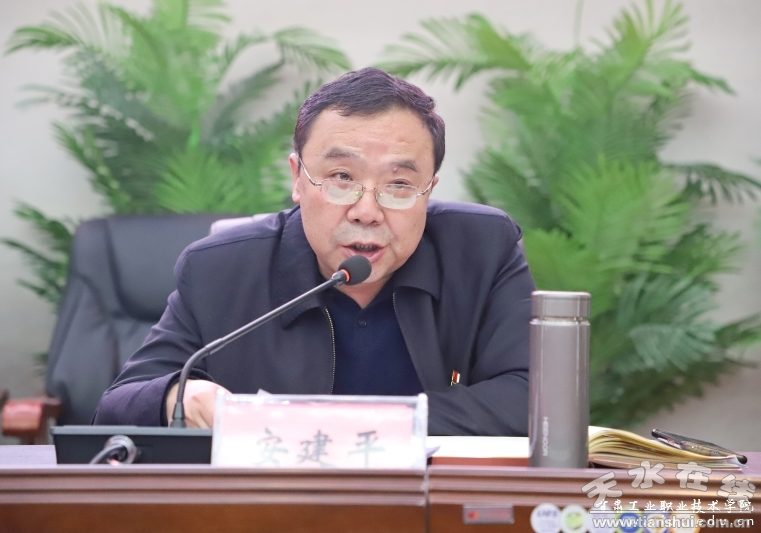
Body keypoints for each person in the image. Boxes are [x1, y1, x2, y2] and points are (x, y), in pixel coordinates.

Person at [94, 67, 535, 436]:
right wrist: (176, 396)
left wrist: (342, 426)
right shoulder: (220, 269)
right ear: (298, 179)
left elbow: (532, 397)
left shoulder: (482, 251)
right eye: (342, 178)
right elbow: (116, 407)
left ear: (429, 190)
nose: (367, 211)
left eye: (399, 184)